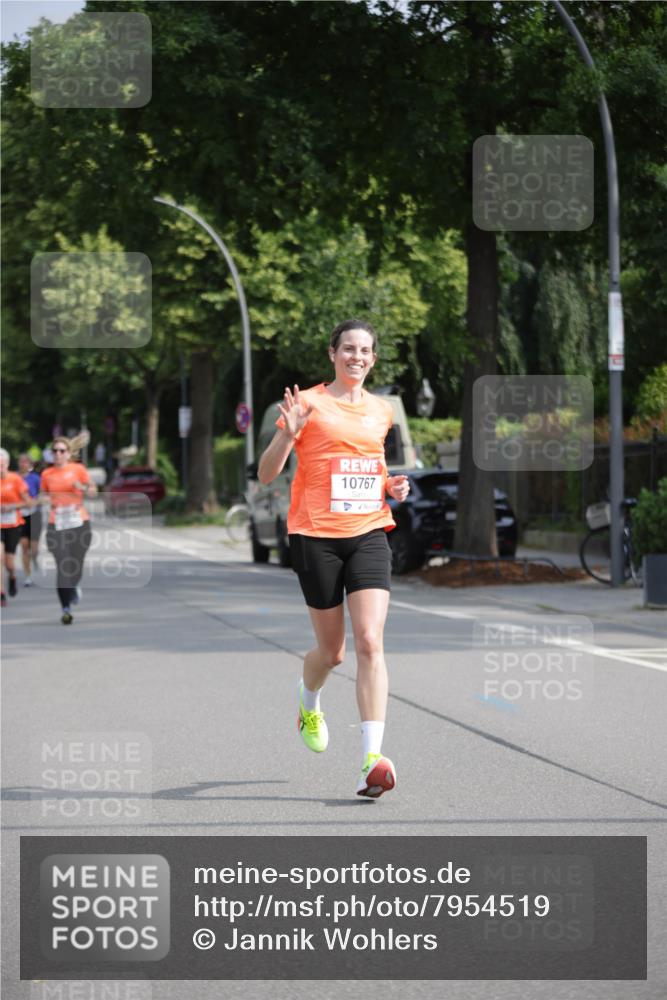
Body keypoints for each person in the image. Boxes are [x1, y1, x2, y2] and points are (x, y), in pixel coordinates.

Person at [257, 319, 410, 798]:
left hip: (368, 533)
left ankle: (371, 758)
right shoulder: (307, 402)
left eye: (365, 350)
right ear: (333, 354)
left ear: (373, 358)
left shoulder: (382, 412)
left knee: (369, 641)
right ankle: (309, 703)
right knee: (332, 653)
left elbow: (374, 466)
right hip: (314, 536)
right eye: (348, 348)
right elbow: (266, 475)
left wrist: (391, 487)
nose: (356, 357)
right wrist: (288, 435)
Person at [39, 434, 97, 624]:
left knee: (76, 563)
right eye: (54, 451)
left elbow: (93, 491)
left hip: (79, 522)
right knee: (63, 565)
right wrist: (44, 499)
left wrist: (81, 486)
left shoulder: (78, 469)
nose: (57, 454)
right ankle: (66, 608)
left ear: (68, 453)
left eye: (61, 451)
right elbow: (41, 495)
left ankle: (73, 586)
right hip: (57, 523)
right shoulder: (46, 474)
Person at [0, 448, 32, 607]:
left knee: (9, 564)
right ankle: (1, 592)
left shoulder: (15, 480)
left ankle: (12, 577)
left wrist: (12, 506)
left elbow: (28, 502)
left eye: (2, 465)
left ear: (7, 464)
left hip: (13, 524)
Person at [18, 453, 42, 586]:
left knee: (34, 548)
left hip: (34, 515)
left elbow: (42, 494)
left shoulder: (35, 478)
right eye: (21, 462)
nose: (23, 464)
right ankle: (28, 576)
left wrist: (35, 501)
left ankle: (35, 558)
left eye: (26, 462)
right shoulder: (14, 478)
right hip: (20, 516)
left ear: (30, 465)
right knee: (24, 546)